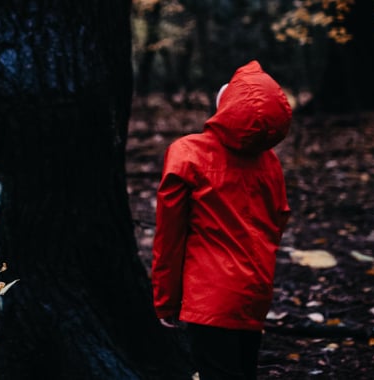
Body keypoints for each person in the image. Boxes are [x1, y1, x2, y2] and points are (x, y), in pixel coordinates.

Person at [151, 60, 292, 380]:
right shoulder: (269, 163)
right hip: (253, 294)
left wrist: (165, 301)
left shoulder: (187, 153)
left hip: (209, 298)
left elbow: (169, 237)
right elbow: (278, 222)